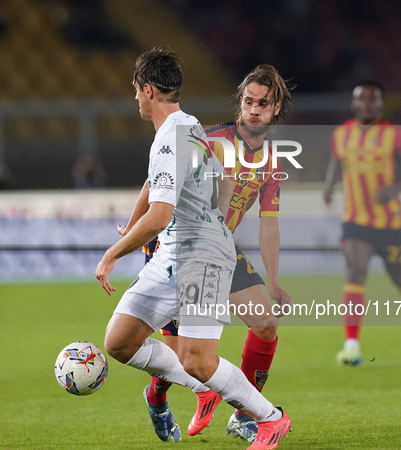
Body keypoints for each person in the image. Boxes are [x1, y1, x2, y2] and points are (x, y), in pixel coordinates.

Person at [95, 47, 291, 449]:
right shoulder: (194, 128)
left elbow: (162, 212)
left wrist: (114, 252)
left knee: (199, 358)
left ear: (147, 89)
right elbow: (214, 184)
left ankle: (270, 419)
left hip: (202, 257)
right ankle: (201, 388)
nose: (135, 98)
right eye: (249, 102)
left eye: (135, 90)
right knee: (119, 342)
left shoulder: (175, 138)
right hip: (174, 252)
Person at [323, 80, 401, 366]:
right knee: (356, 271)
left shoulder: (396, 135)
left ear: (381, 104)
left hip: (390, 223)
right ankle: (352, 345)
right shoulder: (341, 134)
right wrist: (328, 186)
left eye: (374, 99)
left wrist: (393, 189)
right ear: (354, 103)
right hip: (355, 220)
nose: (368, 104)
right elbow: (337, 161)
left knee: (397, 275)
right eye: (362, 99)